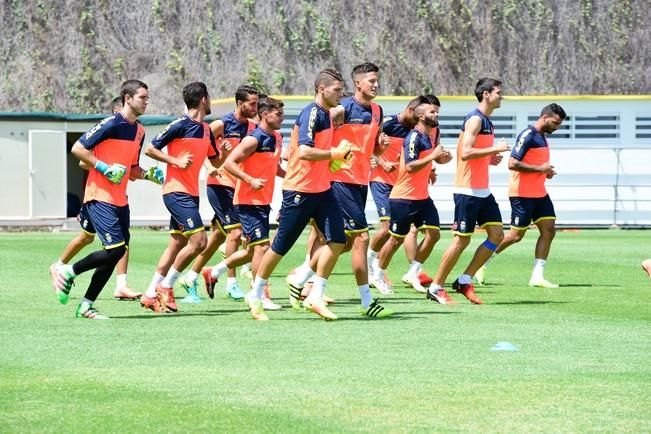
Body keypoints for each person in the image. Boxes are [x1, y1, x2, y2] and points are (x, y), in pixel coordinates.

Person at [289, 62, 393, 318]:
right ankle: (366, 302)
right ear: (357, 83)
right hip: (338, 181)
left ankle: (300, 277)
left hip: (360, 182)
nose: (376, 85)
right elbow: (322, 142)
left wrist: (379, 147)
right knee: (361, 238)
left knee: (342, 242)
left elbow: (370, 151)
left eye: (377, 80)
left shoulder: (378, 111)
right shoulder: (341, 109)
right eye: (371, 81)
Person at [247, 68, 350, 321]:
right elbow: (304, 151)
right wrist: (334, 154)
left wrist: (336, 161)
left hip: (322, 190)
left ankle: (315, 296)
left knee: (338, 240)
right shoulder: (311, 113)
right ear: (321, 89)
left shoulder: (326, 113)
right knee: (280, 247)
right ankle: (256, 293)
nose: (341, 94)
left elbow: (319, 153)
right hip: (299, 191)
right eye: (337, 90)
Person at [51, 79, 154, 319]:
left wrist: (149, 174)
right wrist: (104, 168)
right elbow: (78, 149)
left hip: (121, 200)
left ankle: (86, 305)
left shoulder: (139, 131)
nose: (147, 102)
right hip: (99, 196)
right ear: (128, 99)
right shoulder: (110, 123)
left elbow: (133, 168)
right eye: (142, 97)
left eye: (147, 98)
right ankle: (69, 271)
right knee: (114, 248)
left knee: (117, 251)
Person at [427, 78, 510, 305]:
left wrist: (490, 158)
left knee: (497, 235)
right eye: (498, 93)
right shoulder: (475, 119)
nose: (502, 96)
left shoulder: (487, 122)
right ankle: (435, 287)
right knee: (460, 242)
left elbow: (476, 152)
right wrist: (495, 148)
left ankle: (464, 280)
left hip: (483, 190)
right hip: (468, 191)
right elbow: (465, 152)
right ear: (486, 94)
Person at [204, 97, 287, 319]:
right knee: (262, 248)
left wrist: (291, 178)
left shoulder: (277, 137)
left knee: (251, 251)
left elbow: (275, 168)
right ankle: (259, 295)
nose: (282, 118)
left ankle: (214, 271)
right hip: (248, 200)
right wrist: (249, 179)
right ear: (266, 114)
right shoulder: (253, 139)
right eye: (279, 114)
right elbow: (229, 163)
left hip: (263, 201)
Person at [141, 82, 219, 313]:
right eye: (210, 97)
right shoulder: (179, 124)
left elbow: (215, 160)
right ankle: (166, 286)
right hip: (176, 192)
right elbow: (151, 149)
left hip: (191, 193)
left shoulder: (206, 129)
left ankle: (148, 294)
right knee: (200, 242)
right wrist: (175, 161)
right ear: (204, 99)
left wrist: (223, 155)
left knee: (177, 243)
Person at [180, 85, 259, 302]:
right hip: (219, 184)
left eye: (257, 103)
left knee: (215, 238)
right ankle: (231, 284)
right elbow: (201, 146)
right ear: (239, 103)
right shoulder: (220, 124)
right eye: (252, 103)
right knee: (235, 233)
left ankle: (191, 276)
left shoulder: (254, 126)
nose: (255, 107)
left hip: (238, 187)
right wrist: (208, 165)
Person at [475, 103, 567, 288]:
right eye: (555, 123)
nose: (556, 127)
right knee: (515, 236)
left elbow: (535, 164)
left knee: (549, 231)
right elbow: (512, 163)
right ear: (545, 117)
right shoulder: (528, 135)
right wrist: (540, 168)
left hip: (539, 193)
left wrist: (545, 172)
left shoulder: (542, 137)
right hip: (522, 194)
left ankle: (537, 276)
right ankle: (481, 264)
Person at [372, 96, 452, 295]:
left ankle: (413, 271)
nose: (437, 114)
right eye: (433, 112)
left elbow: (430, 161)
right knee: (395, 238)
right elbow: (409, 166)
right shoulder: (414, 137)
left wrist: (442, 159)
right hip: (403, 197)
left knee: (434, 234)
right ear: (421, 116)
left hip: (422, 196)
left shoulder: (430, 135)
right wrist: (432, 157)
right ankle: (378, 275)